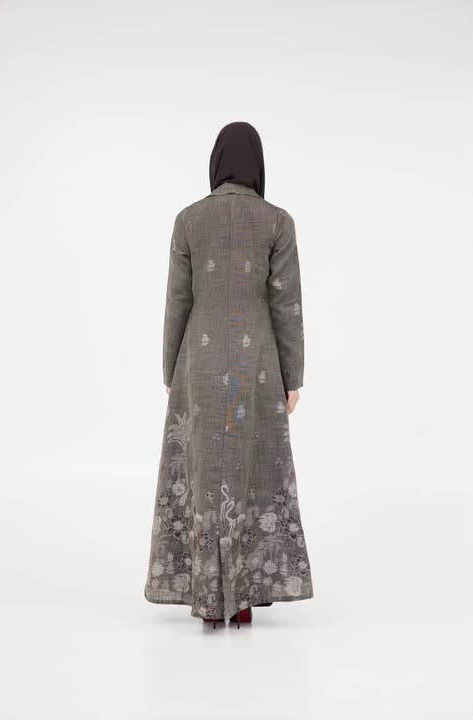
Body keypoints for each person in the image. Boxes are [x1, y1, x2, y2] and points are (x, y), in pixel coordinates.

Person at [144, 121, 314, 628]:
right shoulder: (277, 221)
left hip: (197, 364)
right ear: (257, 164)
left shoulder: (189, 220)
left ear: (216, 163)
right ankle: (240, 600)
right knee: (252, 468)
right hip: (255, 367)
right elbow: (287, 306)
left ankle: (206, 598)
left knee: (201, 471)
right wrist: (293, 377)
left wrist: (171, 369)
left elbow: (177, 300)